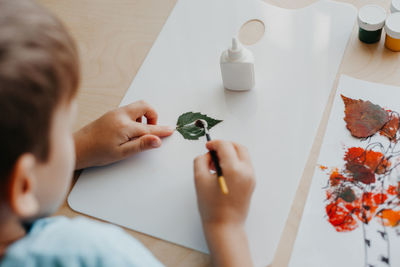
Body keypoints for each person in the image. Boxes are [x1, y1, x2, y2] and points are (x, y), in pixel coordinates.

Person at [0, 0, 256, 266]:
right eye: (65, 130)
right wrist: (225, 226)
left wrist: (79, 147)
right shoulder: (92, 254)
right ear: (24, 184)